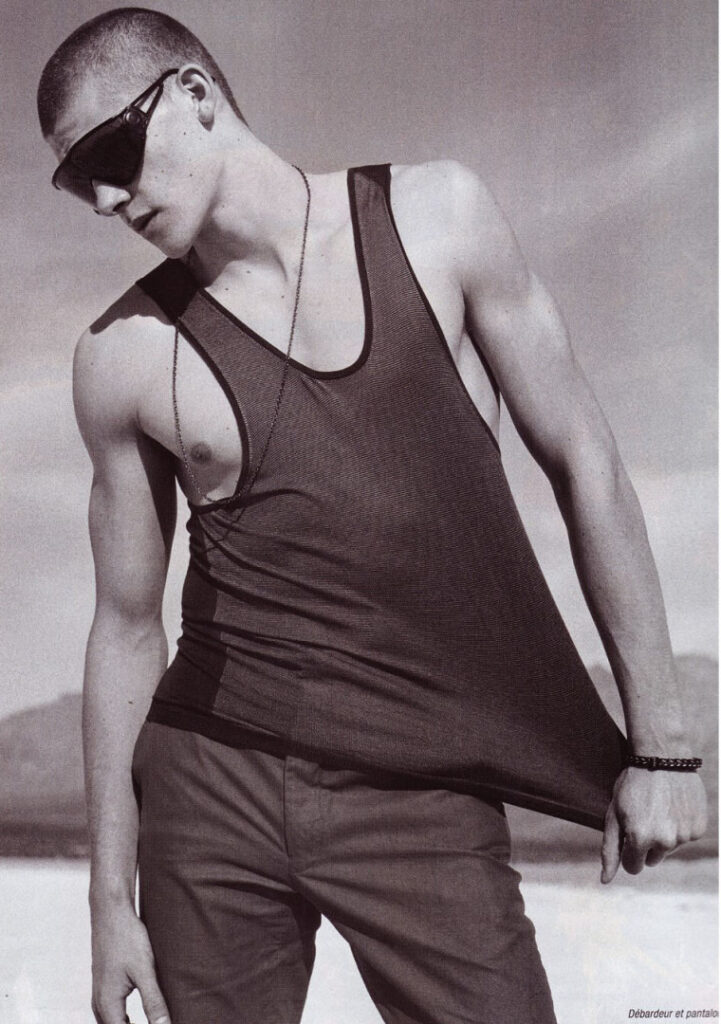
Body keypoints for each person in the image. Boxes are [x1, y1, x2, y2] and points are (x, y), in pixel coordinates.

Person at [37, 8, 708, 1024]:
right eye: (73, 179)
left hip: (421, 784)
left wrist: (662, 748)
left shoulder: (438, 220)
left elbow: (587, 462)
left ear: (194, 95)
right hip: (211, 784)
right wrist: (107, 907)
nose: (103, 198)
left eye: (108, 153)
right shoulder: (121, 354)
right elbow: (126, 627)